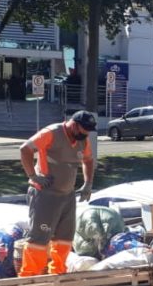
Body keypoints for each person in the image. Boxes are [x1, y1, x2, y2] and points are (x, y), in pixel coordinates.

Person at [18, 110, 96, 277]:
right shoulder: (52, 133)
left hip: (67, 196)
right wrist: (33, 176)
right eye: (84, 130)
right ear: (74, 125)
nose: (86, 134)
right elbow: (25, 149)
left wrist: (88, 183)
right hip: (45, 195)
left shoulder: (82, 140)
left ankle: (58, 275)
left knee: (64, 239)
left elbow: (88, 160)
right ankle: (29, 278)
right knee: (38, 240)